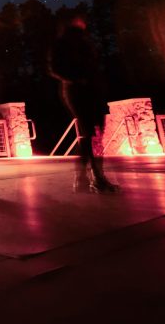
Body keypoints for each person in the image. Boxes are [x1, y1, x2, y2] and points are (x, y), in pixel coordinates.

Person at [49, 13, 119, 193]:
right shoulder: (65, 42)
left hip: (89, 90)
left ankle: (83, 178)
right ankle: (96, 177)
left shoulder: (82, 41)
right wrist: (78, 79)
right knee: (90, 133)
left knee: (91, 134)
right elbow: (56, 68)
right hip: (78, 91)